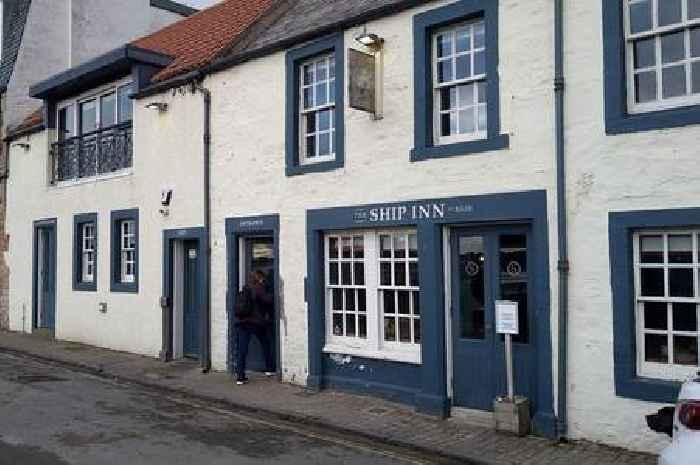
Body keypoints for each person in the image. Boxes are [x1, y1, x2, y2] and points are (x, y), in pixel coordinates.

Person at [234, 270, 274, 385]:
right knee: (265, 343)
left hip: (241, 321)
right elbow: (268, 300)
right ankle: (270, 369)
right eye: (263, 278)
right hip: (255, 322)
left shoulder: (246, 288)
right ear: (260, 278)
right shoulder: (258, 288)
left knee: (242, 350)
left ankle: (240, 377)